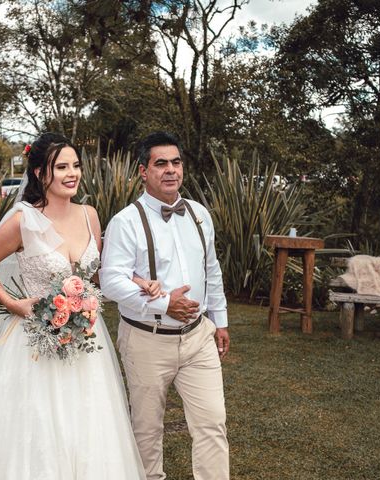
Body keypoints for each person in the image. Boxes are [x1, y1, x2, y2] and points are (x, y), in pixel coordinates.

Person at [0, 132, 147, 479]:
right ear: (39, 173)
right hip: (33, 341)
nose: (71, 173)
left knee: (91, 416)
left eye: (75, 165)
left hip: (88, 340)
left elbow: (103, 269)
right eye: (61, 166)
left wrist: (136, 281)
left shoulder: (90, 215)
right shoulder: (23, 221)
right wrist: (13, 303)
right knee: (39, 420)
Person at [100, 131, 230, 480]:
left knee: (212, 423)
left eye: (176, 162)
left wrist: (220, 321)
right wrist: (162, 303)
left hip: (198, 338)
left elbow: (211, 269)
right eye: (161, 164)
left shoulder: (200, 214)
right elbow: (111, 281)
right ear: (143, 171)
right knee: (147, 431)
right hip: (146, 339)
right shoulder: (125, 222)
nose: (170, 170)